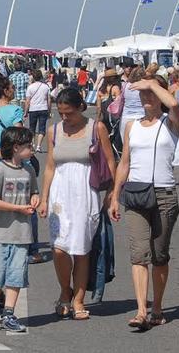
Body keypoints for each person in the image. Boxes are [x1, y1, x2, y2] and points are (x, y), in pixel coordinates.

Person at [109, 75, 179, 330]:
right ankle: (141, 310)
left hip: (163, 194)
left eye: (151, 94)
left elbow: (174, 105)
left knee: (159, 256)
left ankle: (158, 307)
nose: (147, 99)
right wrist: (115, 195)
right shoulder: (132, 126)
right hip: (137, 193)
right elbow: (124, 162)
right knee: (139, 255)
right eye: (143, 94)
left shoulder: (170, 122)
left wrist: (152, 84)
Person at [38, 88, 116, 321]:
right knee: (59, 248)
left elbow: (111, 162)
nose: (64, 118)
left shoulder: (96, 128)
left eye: (68, 113)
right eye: (60, 113)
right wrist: (44, 197)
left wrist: (112, 194)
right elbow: (50, 166)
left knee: (81, 249)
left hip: (85, 193)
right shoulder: (53, 131)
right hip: (59, 194)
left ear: (80, 107)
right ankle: (65, 289)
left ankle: (79, 298)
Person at [0, 126, 40, 333]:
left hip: (22, 233)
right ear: (16, 148)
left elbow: (34, 192)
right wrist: (17, 207)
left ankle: (8, 314)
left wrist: (35, 198)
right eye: (28, 146)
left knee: (16, 274)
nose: (32, 149)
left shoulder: (29, 170)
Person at [24, 69, 51, 153]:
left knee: (32, 128)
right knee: (42, 128)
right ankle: (39, 146)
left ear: (33, 77)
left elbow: (27, 101)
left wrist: (25, 112)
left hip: (33, 109)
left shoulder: (30, 87)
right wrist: (49, 110)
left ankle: (32, 144)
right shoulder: (46, 87)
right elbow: (49, 100)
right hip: (43, 108)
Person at [96, 68, 123, 154]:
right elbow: (118, 103)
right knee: (114, 138)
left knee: (105, 137)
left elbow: (98, 107)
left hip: (104, 117)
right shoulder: (115, 88)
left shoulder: (101, 90)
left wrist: (98, 118)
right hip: (113, 118)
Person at [119, 66, 147, 142]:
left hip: (126, 117)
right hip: (141, 116)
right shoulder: (145, 86)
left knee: (126, 145)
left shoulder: (125, 85)